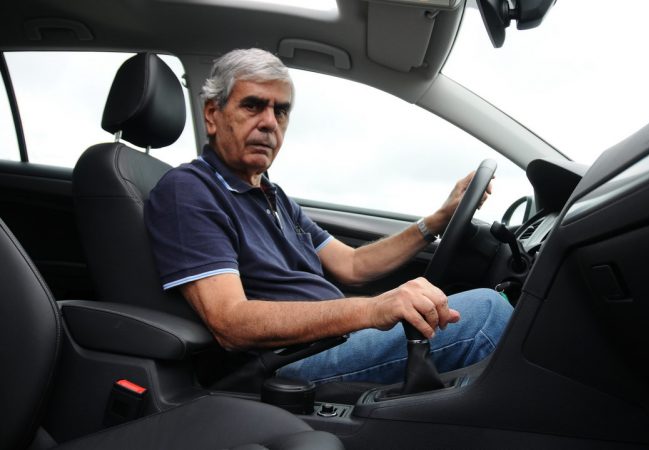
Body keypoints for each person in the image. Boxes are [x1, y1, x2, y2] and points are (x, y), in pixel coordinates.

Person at [145, 48, 512, 387]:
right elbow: (231, 322)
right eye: (253, 106)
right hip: (285, 362)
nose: (269, 122)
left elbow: (352, 264)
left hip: (329, 341)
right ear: (212, 115)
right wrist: (372, 309)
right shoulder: (189, 191)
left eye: (280, 111)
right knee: (488, 315)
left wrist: (437, 220)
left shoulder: (272, 195)